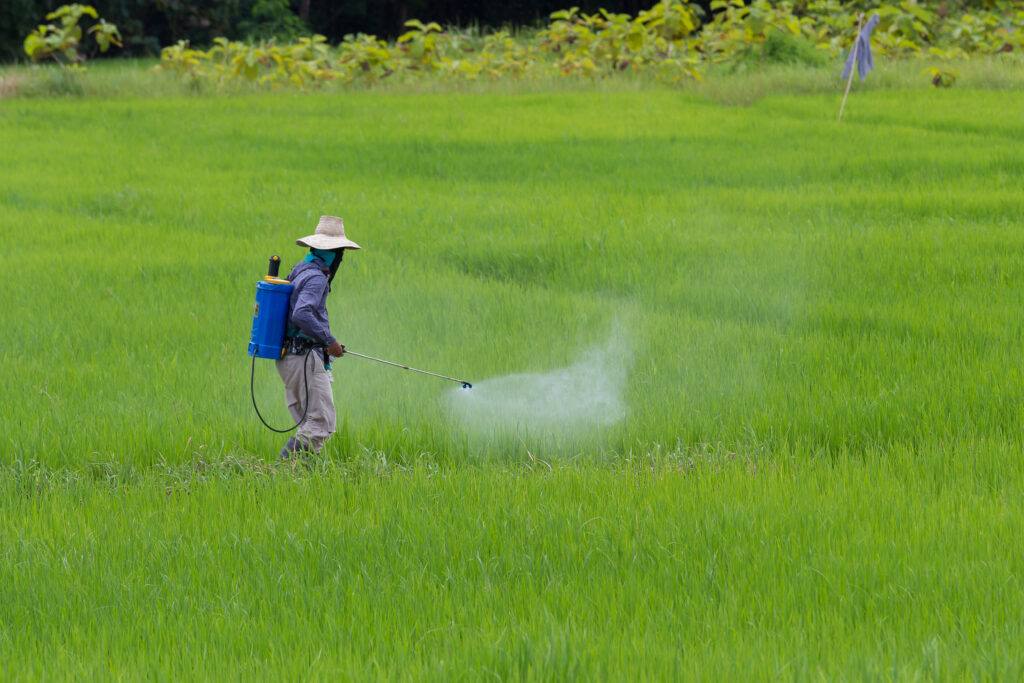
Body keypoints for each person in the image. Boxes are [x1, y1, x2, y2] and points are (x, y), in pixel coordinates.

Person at [277, 215, 360, 459]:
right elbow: (302, 313)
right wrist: (329, 341)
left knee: (309, 425)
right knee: (320, 424)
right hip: (303, 357)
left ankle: (296, 482)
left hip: (289, 357)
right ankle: (284, 474)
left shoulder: (300, 269)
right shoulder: (315, 277)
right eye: (340, 251)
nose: (340, 257)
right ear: (333, 252)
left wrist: (325, 343)